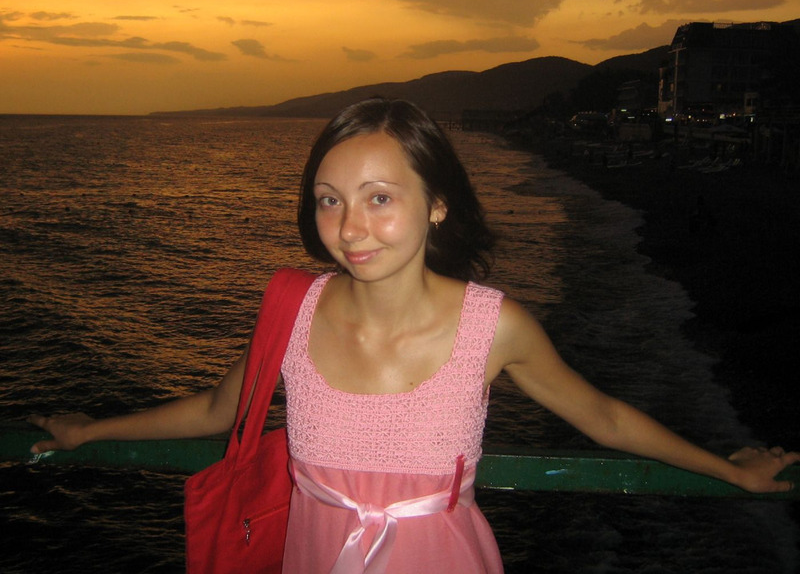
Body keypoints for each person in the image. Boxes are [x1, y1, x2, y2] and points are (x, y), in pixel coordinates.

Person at [29, 98, 797, 573]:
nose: (348, 228)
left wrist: (728, 471)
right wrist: (91, 430)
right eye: (329, 199)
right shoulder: (294, 309)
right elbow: (215, 409)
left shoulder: (492, 326)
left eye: (379, 198)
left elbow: (603, 417)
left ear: (437, 205)